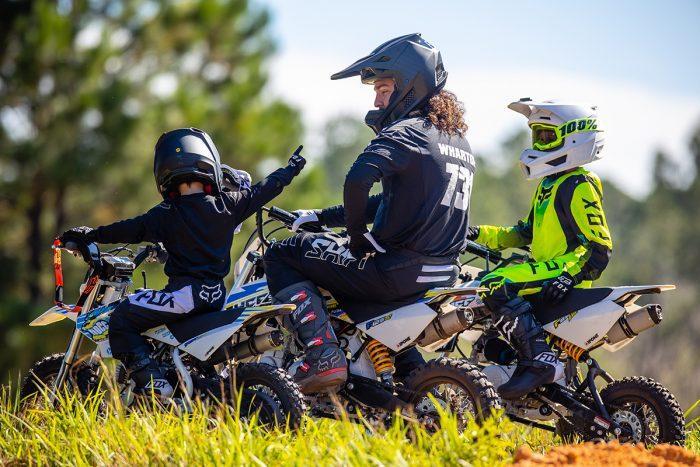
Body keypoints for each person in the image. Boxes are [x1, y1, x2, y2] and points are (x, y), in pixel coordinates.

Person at [263, 33, 475, 394]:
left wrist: (357, 236)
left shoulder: (406, 133)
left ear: (408, 86)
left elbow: (358, 179)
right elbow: (396, 203)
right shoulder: (455, 141)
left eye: (383, 88)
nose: (376, 99)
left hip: (395, 271)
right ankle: (413, 380)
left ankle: (323, 355)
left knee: (284, 253)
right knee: (339, 264)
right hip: (439, 273)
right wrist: (321, 216)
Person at [59, 128, 305, 398]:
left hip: (183, 296)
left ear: (164, 172)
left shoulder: (167, 214)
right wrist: (290, 170)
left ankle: (155, 383)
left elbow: (128, 229)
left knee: (122, 316)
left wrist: (89, 235)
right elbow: (264, 189)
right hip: (215, 297)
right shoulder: (228, 204)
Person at [468, 99, 613, 399]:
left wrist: (569, 276)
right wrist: (475, 233)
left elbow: (600, 247)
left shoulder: (579, 183)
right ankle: (513, 358)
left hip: (564, 267)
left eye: (548, 136)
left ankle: (539, 361)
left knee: (494, 284)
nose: (540, 143)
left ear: (574, 138)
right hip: (549, 266)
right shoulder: (549, 183)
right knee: (495, 279)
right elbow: (523, 233)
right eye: (537, 136)